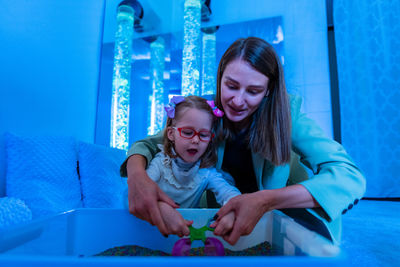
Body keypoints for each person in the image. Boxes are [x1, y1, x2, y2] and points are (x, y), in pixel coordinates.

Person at [120, 37, 366, 245]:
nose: (238, 101)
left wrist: (265, 201)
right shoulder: (205, 110)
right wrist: (137, 178)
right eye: (231, 86)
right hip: (225, 221)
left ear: (268, 90)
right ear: (220, 78)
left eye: (253, 91)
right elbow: (150, 145)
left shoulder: (287, 114)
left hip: (290, 222)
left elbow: (349, 177)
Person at [136, 95, 241, 237]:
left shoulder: (206, 172)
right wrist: (161, 207)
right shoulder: (160, 164)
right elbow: (135, 194)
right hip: (150, 233)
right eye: (187, 133)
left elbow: (229, 193)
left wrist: (232, 211)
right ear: (171, 134)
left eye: (203, 135)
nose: (196, 140)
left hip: (185, 238)